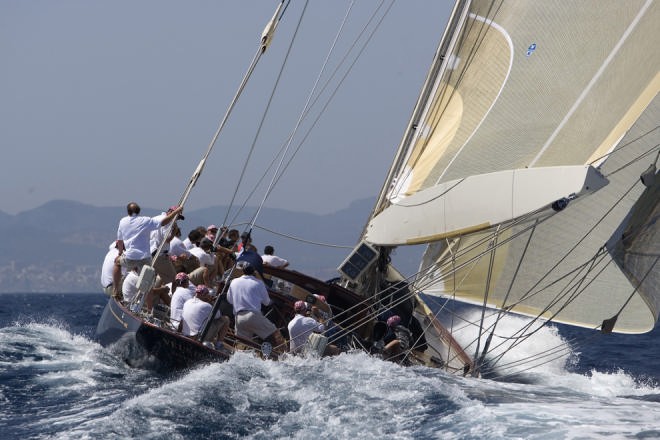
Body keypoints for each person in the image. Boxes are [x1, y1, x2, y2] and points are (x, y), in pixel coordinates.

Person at [112, 202, 183, 297]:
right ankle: (151, 307)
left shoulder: (123, 221)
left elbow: (120, 240)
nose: (177, 219)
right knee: (153, 283)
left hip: (134, 256)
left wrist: (120, 253)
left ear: (128, 212)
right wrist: (175, 220)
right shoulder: (146, 220)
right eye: (178, 217)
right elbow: (165, 230)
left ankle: (116, 290)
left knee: (117, 262)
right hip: (149, 257)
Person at [226, 261, 285, 352]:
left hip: (239, 318)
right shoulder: (259, 283)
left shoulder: (233, 282)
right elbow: (267, 302)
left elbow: (229, 300)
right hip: (253, 315)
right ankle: (285, 357)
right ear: (254, 271)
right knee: (276, 334)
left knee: (242, 344)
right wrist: (273, 302)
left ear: (243, 270)